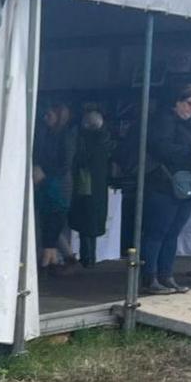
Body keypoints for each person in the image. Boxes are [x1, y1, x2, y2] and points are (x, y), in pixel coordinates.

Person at [140, 83, 191, 294]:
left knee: (173, 232)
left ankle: (166, 275)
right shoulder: (163, 121)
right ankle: (149, 277)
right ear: (177, 101)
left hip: (185, 183)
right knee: (157, 232)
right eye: (189, 104)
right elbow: (162, 149)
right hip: (163, 184)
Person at [68, 108, 115, 269]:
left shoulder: (83, 140)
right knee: (92, 224)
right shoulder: (105, 139)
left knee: (85, 224)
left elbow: (79, 159)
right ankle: (90, 257)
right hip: (98, 186)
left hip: (84, 184)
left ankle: (87, 257)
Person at [31, 100, 75, 271]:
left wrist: (44, 171)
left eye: (50, 114)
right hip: (46, 183)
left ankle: (51, 260)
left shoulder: (66, 136)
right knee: (48, 222)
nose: (46, 117)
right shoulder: (45, 134)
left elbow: (65, 163)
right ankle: (56, 260)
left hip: (57, 184)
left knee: (53, 221)